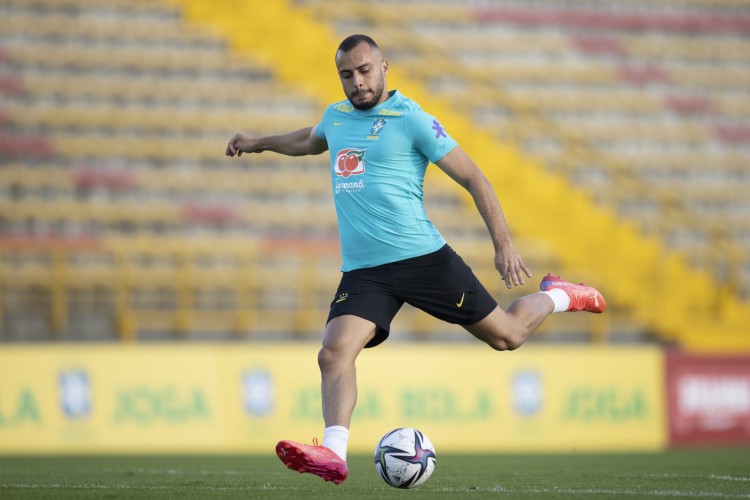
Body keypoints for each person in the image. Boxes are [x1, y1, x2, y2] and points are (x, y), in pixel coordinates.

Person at [225, 34, 606, 485]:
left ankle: (559, 296)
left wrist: (503, 244)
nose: (357, 82)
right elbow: (307, 140)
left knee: (507, 336)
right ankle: (333, 452)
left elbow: (475, 178)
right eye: (346, 75)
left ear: (384, 67)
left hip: (424, 261)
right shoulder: (336, 118)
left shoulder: (412, 119)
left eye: (365, 71)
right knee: (333, 354)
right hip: (366, 272)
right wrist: (257, 142)